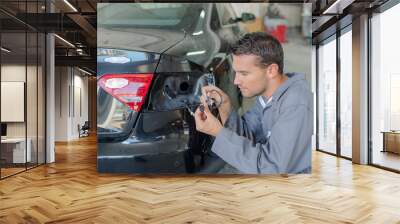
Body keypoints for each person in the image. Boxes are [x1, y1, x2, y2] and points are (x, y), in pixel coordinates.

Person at [194, 32, 313, 174]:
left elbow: (272, 168)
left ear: (271, 70)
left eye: (244, 74)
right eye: (236, 73)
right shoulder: (267, 96)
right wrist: (225, 106)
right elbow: (248, 137)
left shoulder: (296, 105)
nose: (235, 81)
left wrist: (218, 132)